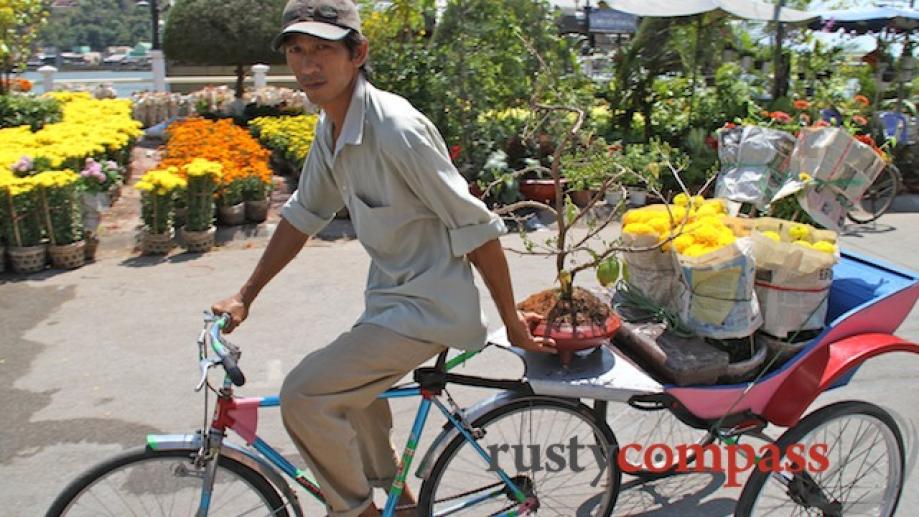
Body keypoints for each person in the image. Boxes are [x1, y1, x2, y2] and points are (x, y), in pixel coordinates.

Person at [210, 1, 556, 515]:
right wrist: (245, 295)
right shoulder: (332, 128)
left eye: (324, 50)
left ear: (358, 54)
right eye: (298, 51)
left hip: (430, 309)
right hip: (390, 302)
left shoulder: (396, 130)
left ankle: (358, 511)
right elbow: (304, 215)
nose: (308, 66)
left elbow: (478, 229)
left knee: (304, 394)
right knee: (353, 396)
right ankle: (402, 502)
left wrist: (513, 324)